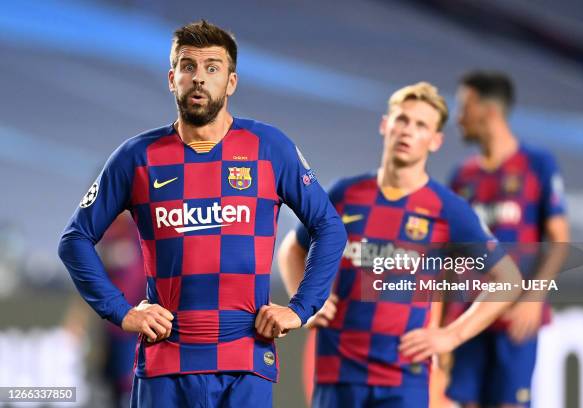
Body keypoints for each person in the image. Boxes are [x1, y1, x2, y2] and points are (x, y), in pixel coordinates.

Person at [58, 20, 346, 408]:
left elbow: (329, 227)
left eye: (212, 68)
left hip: (245, 361)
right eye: (188, 66)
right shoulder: (137, 157)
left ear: (231, 82)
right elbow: (74, 240)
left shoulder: (269, 148)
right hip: (165, 363)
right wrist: (122, 312)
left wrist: (301, 308)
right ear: (171, 77)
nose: (199, 78)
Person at [278, 82, 523, 408]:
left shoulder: (446, 208)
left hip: (403, 380)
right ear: (385, 125)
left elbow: (509, 279)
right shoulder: (344, 194)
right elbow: (292, 249)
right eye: (402, 120)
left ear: (435, 141)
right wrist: (307, 304)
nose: (408, 131)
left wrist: (452, 335)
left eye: (421, 125)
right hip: (336, 374)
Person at [446, 71, 570, 408]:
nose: (457, 117)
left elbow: (558, 239)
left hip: (514, 317)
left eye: (464, 106)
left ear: (489, 111)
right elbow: (449, 253)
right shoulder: (462, 177)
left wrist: (534, 297)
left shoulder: (537, 165)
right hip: (468, 317)